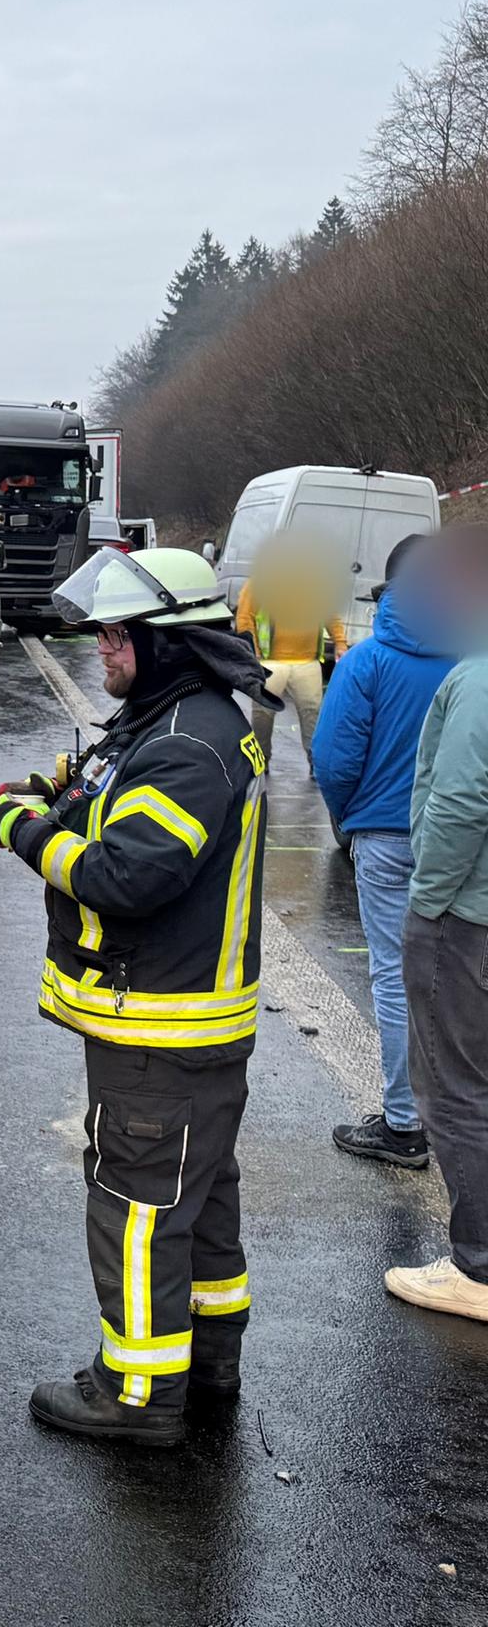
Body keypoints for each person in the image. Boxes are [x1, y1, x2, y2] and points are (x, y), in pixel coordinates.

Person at [0, 547, 272, 1446]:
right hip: (178, 1021)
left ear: (167, 643)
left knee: (139, 1205)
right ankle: (209, 1358)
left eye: (116, 634)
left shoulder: (188, 743)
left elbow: (128, 876)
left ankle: (140, 1394)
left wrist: (26, 832)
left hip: (161, 1023)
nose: (101, 647)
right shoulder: (170, 720)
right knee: (199, 1192)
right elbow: (118, 808)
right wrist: (56, 797)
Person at [311, 535, 449, 1169]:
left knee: (395, 977)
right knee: (463, 979)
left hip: (388, 837)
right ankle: (456, 1120)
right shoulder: (473, 659)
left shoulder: (368, 662)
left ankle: (402, 1124)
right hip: (462, 841)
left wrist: (350, 819)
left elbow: (334, 760)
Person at [384, 526, 488, 1323]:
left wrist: (429, 900)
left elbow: (458, 802)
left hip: (468, 918)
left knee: (455, 1091)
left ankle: (478, 1269)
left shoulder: (480, 680)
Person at [235, 538, 347, 771]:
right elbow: (245, 619)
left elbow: (330, 616)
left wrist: (340, 643)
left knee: (312, 715)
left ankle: (316, 764)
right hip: (270, 662)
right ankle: (261, 759)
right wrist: (254, 652)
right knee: (263, 715)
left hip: (307, 663)